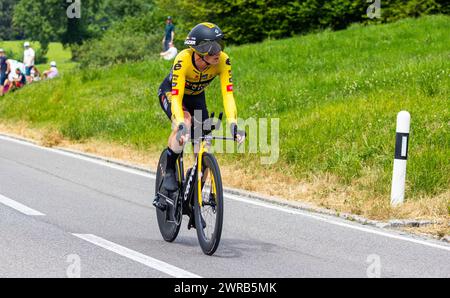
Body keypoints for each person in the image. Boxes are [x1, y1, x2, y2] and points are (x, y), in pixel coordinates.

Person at [154, 22, 245, 204]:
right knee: (186, 123)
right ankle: (170, 169)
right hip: (172, 94)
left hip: (196, 97)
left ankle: (194, 200)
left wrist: (234, 125)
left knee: (205, 145)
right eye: (212, 47)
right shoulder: (183, 59)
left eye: (220, 45)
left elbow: (228, 95)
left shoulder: (223, 61)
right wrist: (180, 124)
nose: (218, 51)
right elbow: (177, 98)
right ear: (199, 50)